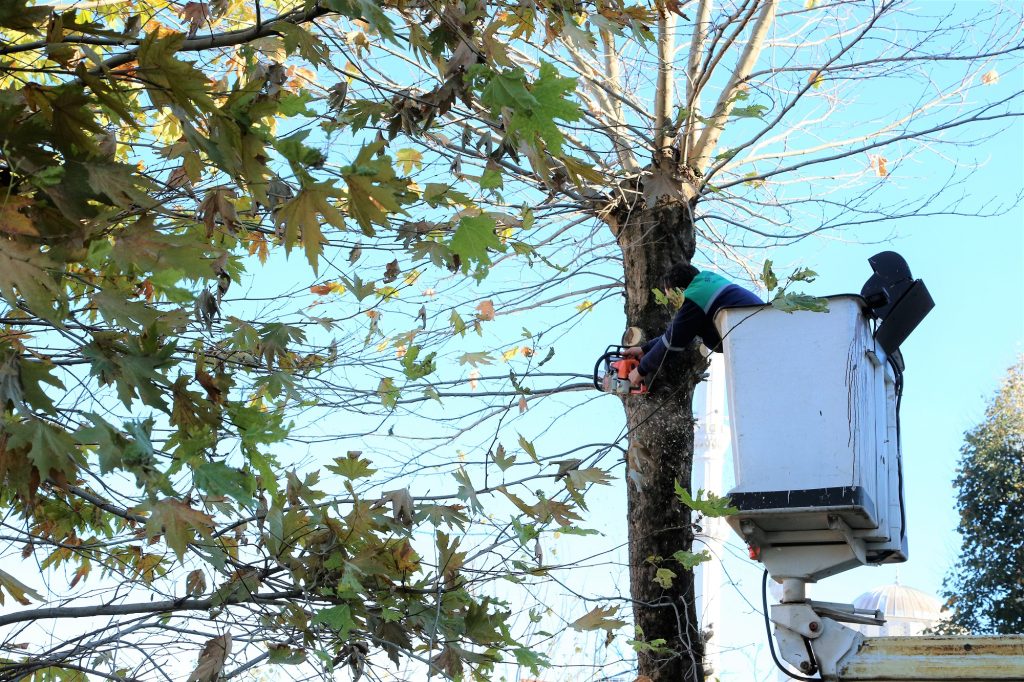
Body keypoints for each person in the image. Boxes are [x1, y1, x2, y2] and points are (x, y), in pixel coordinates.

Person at [625, 263, 762, 386]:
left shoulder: (694, 298)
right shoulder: (707, 286)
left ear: (679, 291)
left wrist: (641, 370)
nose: (673, 304)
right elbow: (678, 332)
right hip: (758, 332)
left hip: (752, 339)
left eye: (671, 298)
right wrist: (645, 349)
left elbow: (673, 340)